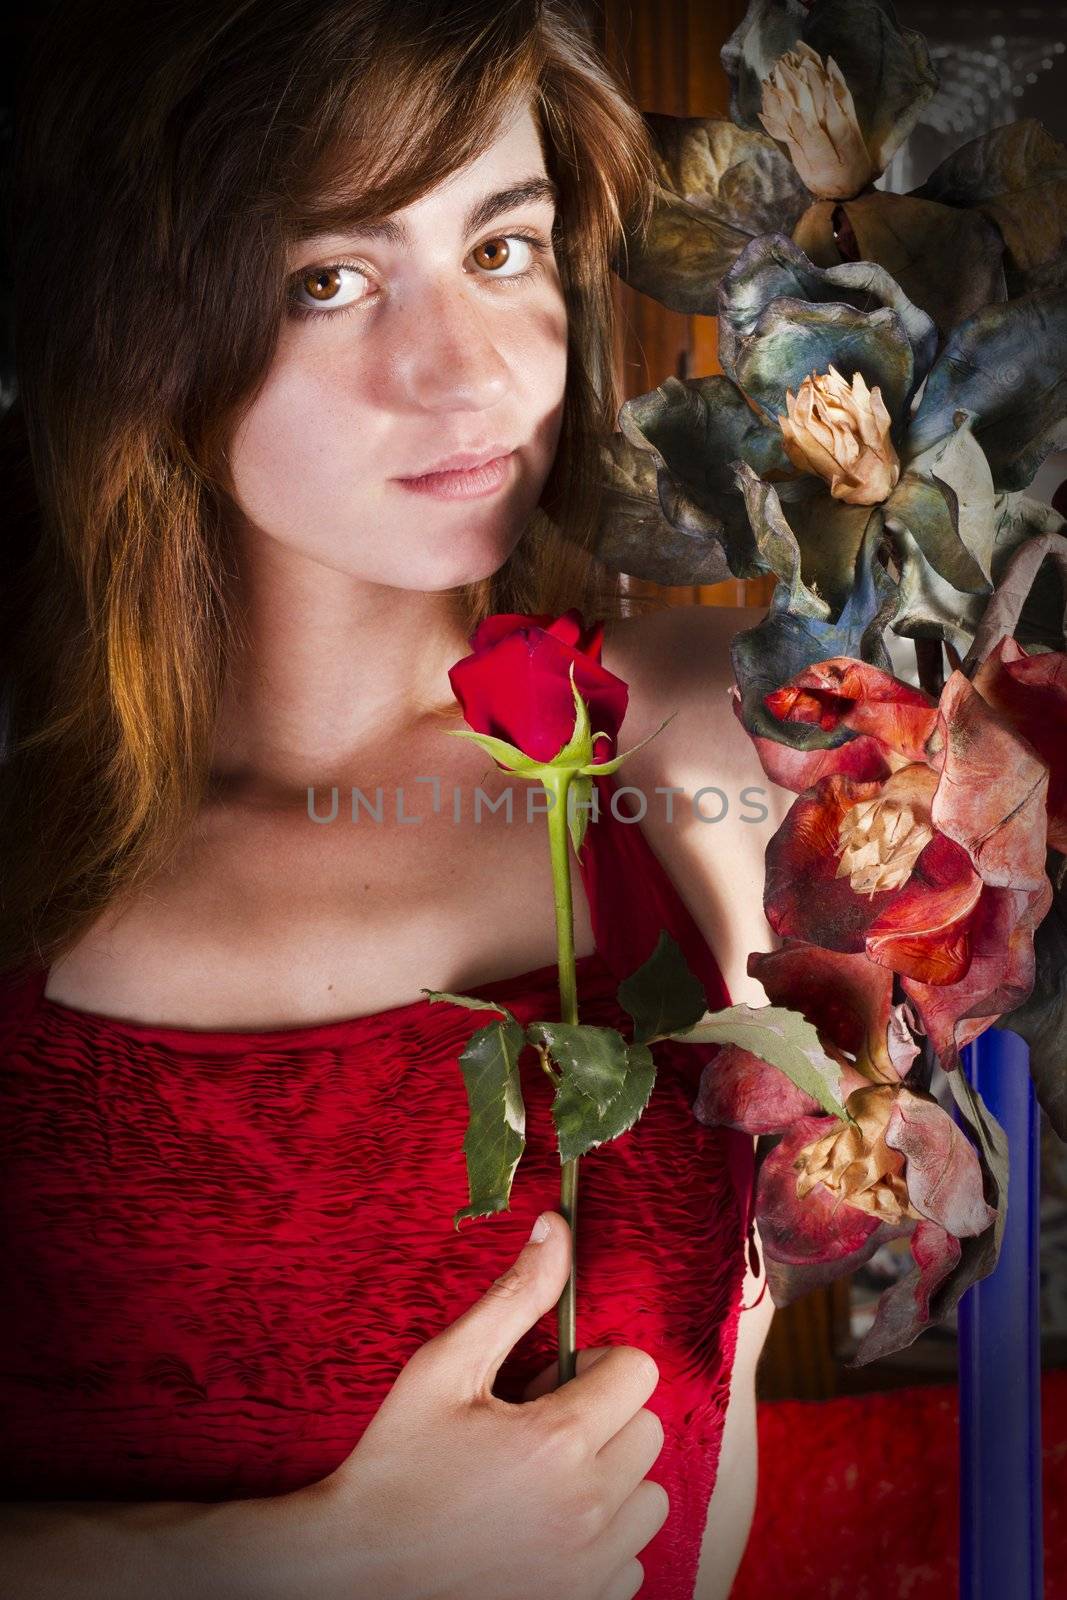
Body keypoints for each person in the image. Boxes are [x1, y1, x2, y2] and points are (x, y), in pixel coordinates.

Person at [0, 1, 783, 1595]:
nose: (470, 374)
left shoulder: (702, 741)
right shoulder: (28, 852)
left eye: (501, 250)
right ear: (137, 330)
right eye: (329, 279)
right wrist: (290, 1568)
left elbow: (729, 1406)